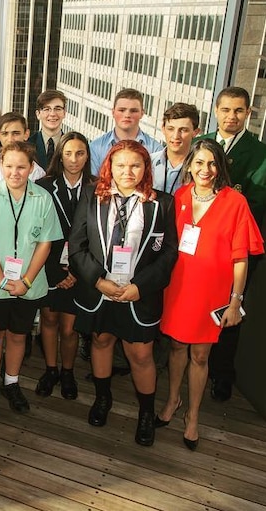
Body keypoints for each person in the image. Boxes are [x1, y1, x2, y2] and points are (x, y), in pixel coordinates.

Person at [69, 140, 178, 447]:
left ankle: (146, 414)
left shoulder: (163, 203)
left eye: (135, 165)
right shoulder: (92, 196)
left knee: (140, 354)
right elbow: (77, 246)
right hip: (100, 290)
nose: (127, 171)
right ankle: (103, 399)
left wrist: (139, 288)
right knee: (101, 340)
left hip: (137, 294)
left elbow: (169, 253)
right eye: (120, 165)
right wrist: (98, 281)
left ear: (146, 168)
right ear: (109, 167)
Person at [157, 140, 263, 450]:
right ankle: (173, 400)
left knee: (200, 355)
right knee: (176, 346)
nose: (206, 170)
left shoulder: (235, 202)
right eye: (200, 163)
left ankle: (193, 416)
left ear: (221, 168)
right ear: (189, 165)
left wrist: (235, 300)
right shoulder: (178, 197)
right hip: (178, 287)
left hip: (212, 292)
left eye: (212, 163)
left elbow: (241, 257)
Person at [196, 86, 266, 401]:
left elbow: (254, 205)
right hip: (194, 248)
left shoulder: (265, 157)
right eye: (225, 109)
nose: (231, 116)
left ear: (248, 114)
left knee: (229, 311)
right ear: (216, 111)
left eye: (238, 111)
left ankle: (221, 374)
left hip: (233, 251)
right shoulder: (198, 144)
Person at [0, 141, 61, 414]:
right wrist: (0, 280)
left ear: (31, 168)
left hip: (28, 284)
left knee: (19, 335)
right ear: (1, 165)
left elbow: (45, 243)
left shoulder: (42, 198)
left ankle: (12, 381)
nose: (15, 172)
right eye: (9, 166)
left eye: (22, 166)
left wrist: (27, 281)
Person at [34, 132, 96, 399]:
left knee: (70, 327)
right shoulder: (43, 185)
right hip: (49, 265)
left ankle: (68, 371)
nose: (73, 159)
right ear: (59, 155)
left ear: (87, 156)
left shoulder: (97, 187)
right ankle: (50, 369)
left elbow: (99, 236)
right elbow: (36, 232)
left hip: (81, 268)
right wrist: (56, 271)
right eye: (68, 153)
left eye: (80, 153)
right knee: (48, 319)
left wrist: (77, 270)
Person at [89, 88, 163, 174]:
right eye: (122, 110)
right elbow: (93, 184)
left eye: (133, 111)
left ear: (142, 113)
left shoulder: (156, 150)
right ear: (113, 112)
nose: (127, 115)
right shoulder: (95, 148)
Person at [0, 113, 46, 189]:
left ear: (26, 134)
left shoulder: (37, 173)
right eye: (5, 134)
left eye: (16, 133)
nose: (10, 139)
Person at [150, 103, 200, 195]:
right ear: (163, 129)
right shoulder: (147, 162)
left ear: (195, 132)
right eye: (171, 129)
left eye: (183, 130)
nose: (176, 136)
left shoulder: (201, 169)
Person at [29, 90, 68, 167]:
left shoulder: (71, 145)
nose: (52, 114)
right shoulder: (28, 145)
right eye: (47, 109)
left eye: (58, 109)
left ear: (64, 113)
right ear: (38, 114)